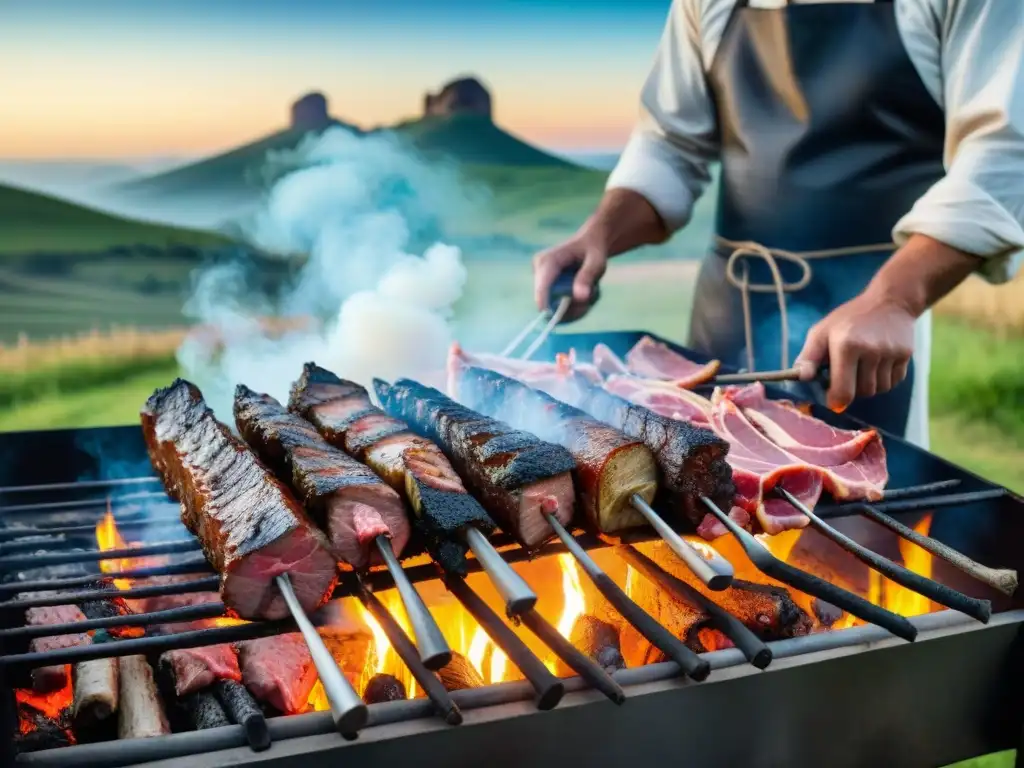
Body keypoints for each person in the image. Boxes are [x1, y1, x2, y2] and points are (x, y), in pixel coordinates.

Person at [532, 0, 1024, 448]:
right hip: (727, 305)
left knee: (864, 523)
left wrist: (892, 299)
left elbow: (1004, 154)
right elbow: (670, 144)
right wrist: (599, 234)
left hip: (866, 324)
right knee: (706, 500)